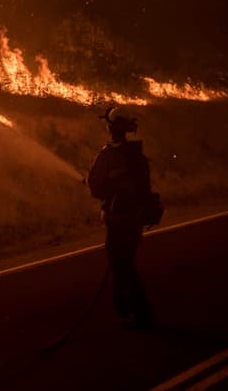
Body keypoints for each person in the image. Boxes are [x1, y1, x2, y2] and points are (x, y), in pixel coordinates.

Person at [86, 106, 155, 329]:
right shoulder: (136, 154)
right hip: (135, 219)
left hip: (119, 221)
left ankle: (139, 312)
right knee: (124, 263)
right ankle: (123, 310)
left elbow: (96, 189)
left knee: (122, 265)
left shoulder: (108, 155)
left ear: (111, 128)